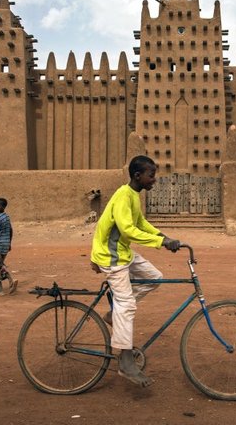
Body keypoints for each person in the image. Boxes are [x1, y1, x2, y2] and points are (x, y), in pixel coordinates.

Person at [90, 155, 181, 387]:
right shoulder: (123, 195)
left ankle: (114, 315)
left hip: (123, 253)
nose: (155, 180)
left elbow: (141, 223)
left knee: (155, 278)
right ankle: (125, 360)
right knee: (127, 305)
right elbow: (129, 231)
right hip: (112, 257)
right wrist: (161, 243)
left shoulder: (133, 196)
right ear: (138, 176)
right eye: (151, 175)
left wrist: (163, 237)